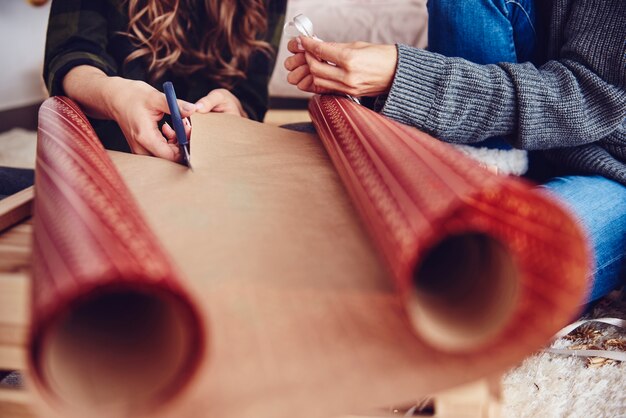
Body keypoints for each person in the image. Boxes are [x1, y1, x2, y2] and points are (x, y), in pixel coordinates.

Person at [284, 0, 626, 304]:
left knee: (483, 282)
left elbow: (588, 98)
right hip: (505, 146)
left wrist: (401, 76)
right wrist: (369, 83)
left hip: (611, 170)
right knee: (296, 178)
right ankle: (477, 170)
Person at [44, 0, 287, 161]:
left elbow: (250, 95)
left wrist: (237, 112)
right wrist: (114, 96)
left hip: (219, 174)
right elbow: (69, 56)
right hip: (107, 161)